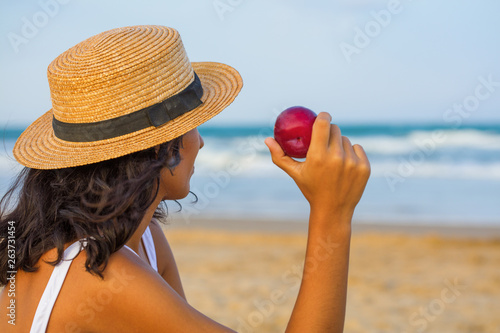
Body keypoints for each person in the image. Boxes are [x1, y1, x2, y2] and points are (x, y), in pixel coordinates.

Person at [0, 25, 370, 332]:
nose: (202, 141)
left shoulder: (143, 240)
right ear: (161, 148)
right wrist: (331, 216)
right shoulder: (101, 272)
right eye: (192, 125)